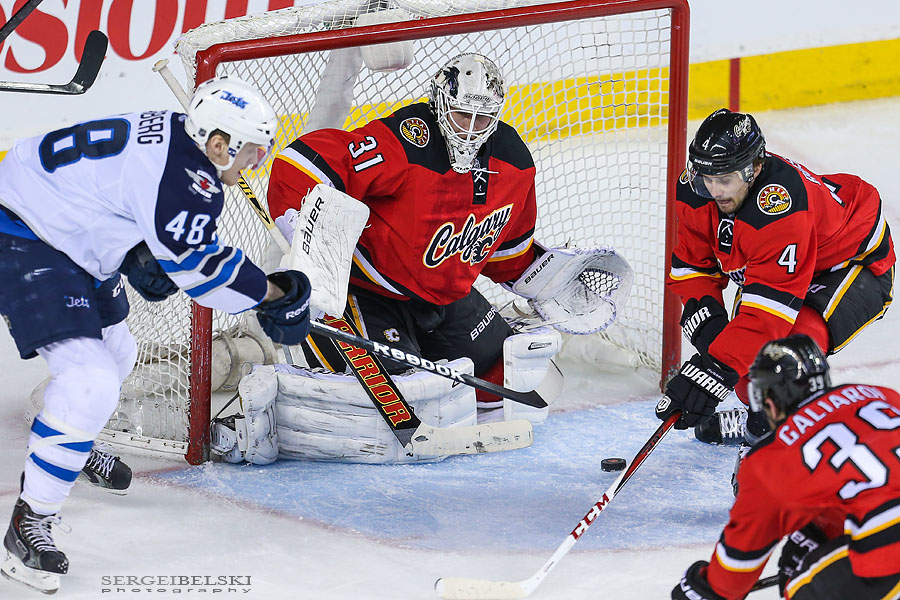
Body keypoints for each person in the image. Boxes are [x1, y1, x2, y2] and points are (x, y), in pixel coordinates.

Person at [0, 75, 311, 594]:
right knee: (90, 382)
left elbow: (120, 188)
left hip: (69, 227)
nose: (256, 164)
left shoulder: (179, 136)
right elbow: (203, 273)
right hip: (24, 233)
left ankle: (70, 444)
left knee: (119, 352)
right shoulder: (187, 180)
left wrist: (133, 245)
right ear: (219, 144)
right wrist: (275, 295)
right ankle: (29, 522)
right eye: (251, 152)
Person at [267, 52, 542, 409]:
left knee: (508, 374)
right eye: (462, 114)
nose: (471, 129)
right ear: (440, 104)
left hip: (443, 298)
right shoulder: (408, 140)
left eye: (483, 118)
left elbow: (508, 255)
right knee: (397, 396)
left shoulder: (513, 160)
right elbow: (302, 162)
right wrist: (304, 237)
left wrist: (546, 277)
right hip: (365, 290)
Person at [655, 108, 895, 443]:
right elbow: (693, 269)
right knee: (743, 372)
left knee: (785, 358)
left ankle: (772, 430)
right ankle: (759, 414)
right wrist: (710, 338)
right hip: (783, 268)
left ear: (754, 168)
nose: (715, 190)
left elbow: (767, 318)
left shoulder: (780, 207)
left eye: (725, 180)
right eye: (707, 178)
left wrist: (712, 370)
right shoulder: (696, 189)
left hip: (850, 264)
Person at [671, 334, 900, 600]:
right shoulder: (880, 395)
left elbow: (732, 575)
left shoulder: (771, 458)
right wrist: (824, 530)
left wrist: (701, 586)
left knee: (801, 582)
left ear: (769, 402)